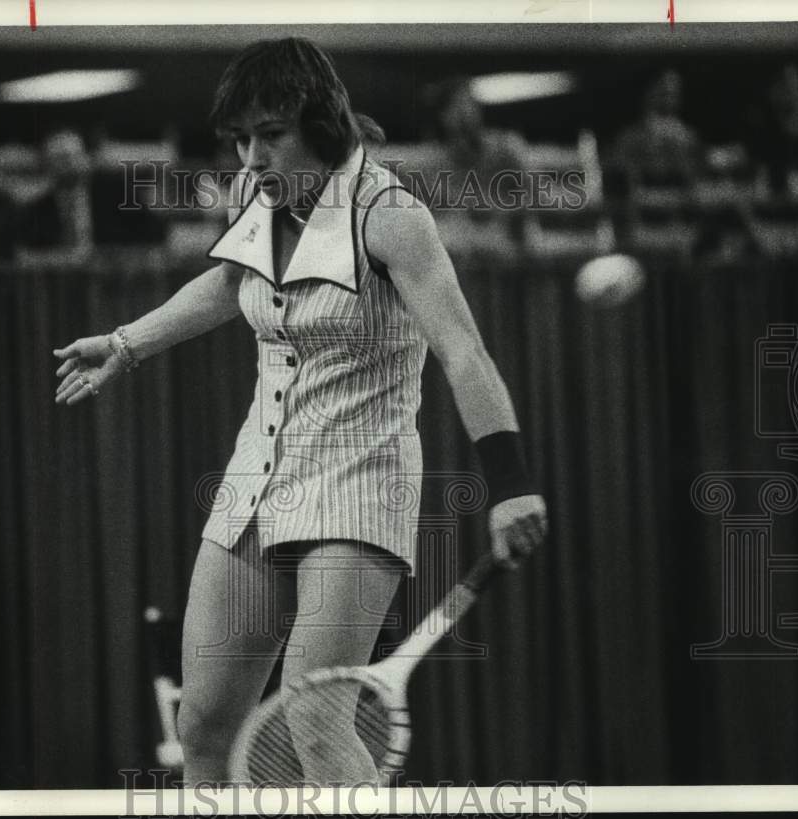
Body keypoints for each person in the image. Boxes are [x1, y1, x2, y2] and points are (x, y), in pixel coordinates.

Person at [53, 37, 547, 787]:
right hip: (256, 479)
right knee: (203, 723)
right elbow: (228, 284)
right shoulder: (258, 198)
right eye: (241, 138)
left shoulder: (392, 216)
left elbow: (464, 352)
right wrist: (128, 343)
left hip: (359, 482)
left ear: (321, 124)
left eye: (269, 135)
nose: (250, 156)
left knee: (316, 722)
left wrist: (510, 483)